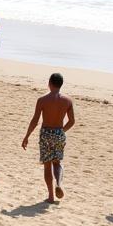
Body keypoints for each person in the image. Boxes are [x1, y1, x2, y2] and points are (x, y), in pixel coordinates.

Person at [22, 72, 75, 202]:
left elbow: (35, 120)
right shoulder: (67, 101)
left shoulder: (42, 100)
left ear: (49, 83)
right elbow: (72, 121)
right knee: (57, 163)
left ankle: (51, 196)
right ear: (61, 85)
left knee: (47, 165)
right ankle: (59, 184)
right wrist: (62, 131)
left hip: (46, 133)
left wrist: (27, 136)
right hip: (59, 133)